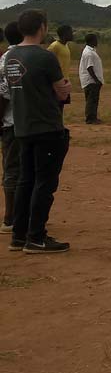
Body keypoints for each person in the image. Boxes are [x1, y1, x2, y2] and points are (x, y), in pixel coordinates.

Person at [5, 10, 72, 254]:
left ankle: (19, 236)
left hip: (22, 127)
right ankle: (37, 237)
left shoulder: (10, 57)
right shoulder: (45, 58)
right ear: (42, 28)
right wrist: (65, 87)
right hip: (46, 126)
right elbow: (61, 92)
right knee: (44, 184)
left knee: (26, 181)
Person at [1, 22, 23, 234]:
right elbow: (3, 96)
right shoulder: (15, 59)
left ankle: (15, 216)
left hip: (12, 123)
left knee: (13, 169)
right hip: (17, 123)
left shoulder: (5, 58)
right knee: (15, 170)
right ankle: (10, 218)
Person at [79, 33, 104, 124]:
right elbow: (89, 68)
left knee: (93, 99)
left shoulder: (90, 51)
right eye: (95, 39)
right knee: (91, 100)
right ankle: (90, 118)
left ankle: (93, 117)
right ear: (92, 41)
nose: (97, 41)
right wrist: (96, 80)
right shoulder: (89, 53)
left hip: (92, 80)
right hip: (91, 81)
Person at [47, 24, 73, 105]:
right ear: (64, 34)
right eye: (70, 32)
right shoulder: (54, 46)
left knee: (61, 105)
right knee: (55, 106)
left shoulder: (66, 46)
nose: (72, 34)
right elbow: (47, 61)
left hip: (65, 80)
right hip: (57, 80)